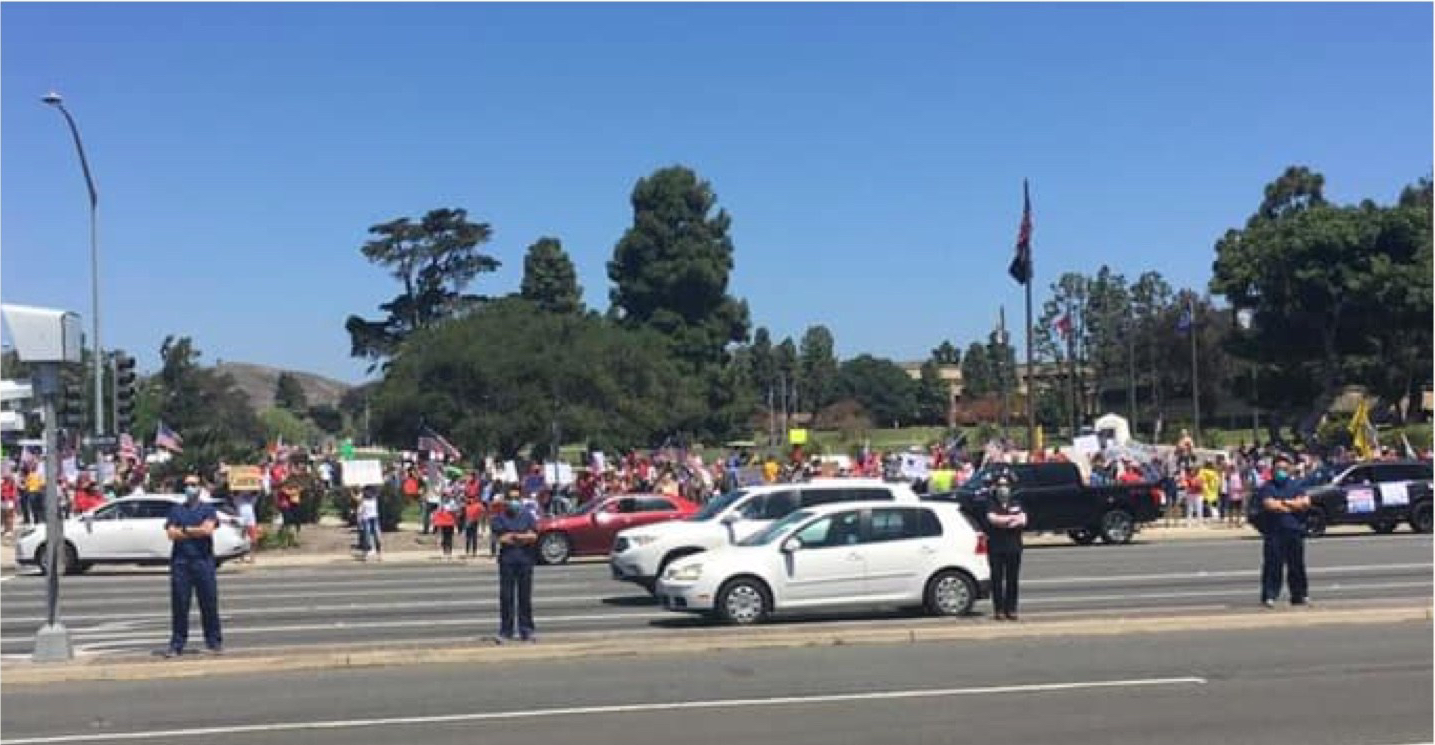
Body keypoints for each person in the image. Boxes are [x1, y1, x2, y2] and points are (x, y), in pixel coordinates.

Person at [163, 475, 223, 657]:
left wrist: (185, 530)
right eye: (187, 484)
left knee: (209, 603)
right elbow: (171, 534)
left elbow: (207, 530)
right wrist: (193, 530)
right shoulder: (176, 510)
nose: (190, 488)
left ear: (200, 488)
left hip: (203, 561)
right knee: (180, 604)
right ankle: (177, 644)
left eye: (194, 485)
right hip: (181, 562)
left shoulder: (208, 509)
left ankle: (214, 642)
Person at [1258, 454, 1311, 608]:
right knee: (1273, 565)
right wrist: (1292, 504)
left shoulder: (1297, 485)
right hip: (1274, 532)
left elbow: (1305, 503)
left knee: (1297, 565)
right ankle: (1269, 596)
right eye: (1278, 468)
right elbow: (1269, 505)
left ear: (1290, 469)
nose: (1281, 471)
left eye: (1284, 468)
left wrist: (1284, 503)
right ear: (1273, 470)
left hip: (1294, 531)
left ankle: (1299, 595)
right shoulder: (1268, 487)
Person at [490, 496, 539, 643]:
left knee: (525, 597)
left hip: (525, 560)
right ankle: (506, 631)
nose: (513, 503)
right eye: (510, 499)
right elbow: (502, 538)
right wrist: (521, 536)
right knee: (507, 597)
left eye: (516, 499)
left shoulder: (527, 515)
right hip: (507, 561)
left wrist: (517, 536)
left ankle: (527, 630)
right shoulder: (499, 518)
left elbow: (533, 536)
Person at [984, 472, 1027, 621]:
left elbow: (1023, 519)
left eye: (1006, 485)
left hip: (1014, 546)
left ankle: (1012, 609)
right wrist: (1010, 519)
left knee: (1012, 579)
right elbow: (993, 519)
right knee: (997, 579)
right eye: (1001, 485)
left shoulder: (1016, 502)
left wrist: (1007, 520)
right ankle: (999, 610)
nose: (1003, 488)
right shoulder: (991, 503)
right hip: (996, 547)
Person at [357, 485, 382, 562]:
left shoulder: (374, 499)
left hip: (374, 518)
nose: (368, 493)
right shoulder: (363, 500)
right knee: (367, 537)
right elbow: (356, 498)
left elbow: (378, 490)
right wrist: (351, 490)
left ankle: (379, 554)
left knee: (377, 536)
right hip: (366, 519)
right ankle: (365, 554)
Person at [433, 494, 458, 560]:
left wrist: (450, 510)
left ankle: (449, 551)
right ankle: (444, 551)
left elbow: (455, 510)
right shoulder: (441, 503)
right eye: (444, 496)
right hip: (443, 523)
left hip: (450, 523)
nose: (445, 497)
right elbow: (438, 512)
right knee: (444, 537)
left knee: (449, 537)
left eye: (446, 496)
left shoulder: (452, 502)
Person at [462, 494, 484, 559]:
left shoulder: (478, 505)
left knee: (474, 538)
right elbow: (464, 514)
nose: (470, 499)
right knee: (468, 538)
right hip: (468, 522)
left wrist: (478, 518)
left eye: (472, 498)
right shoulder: (467, 506)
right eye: (469, 498)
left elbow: (483, 512)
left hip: (474, 521)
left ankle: (474, 552)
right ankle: (467, 551)